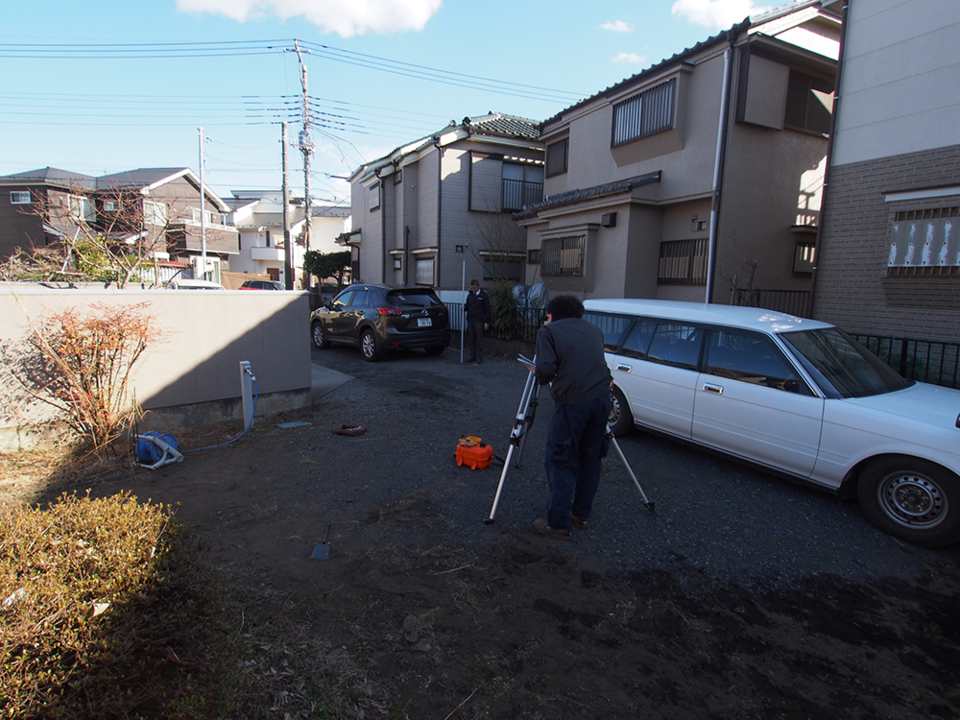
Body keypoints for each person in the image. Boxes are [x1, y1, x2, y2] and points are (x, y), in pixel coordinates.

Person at [532, 295, 613, 540]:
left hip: (573, 403)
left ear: (552, 314)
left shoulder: (548, 332)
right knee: (591, 457)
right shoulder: (595, 330)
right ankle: (581, 514)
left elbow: (546, 371)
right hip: (601, 399)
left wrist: (539, 374)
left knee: (561, 458)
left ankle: (558, 523)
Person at [463, 279, 491, 363]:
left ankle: (479, 357)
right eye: (472, 288)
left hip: (479, 320)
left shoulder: (483, 296)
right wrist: (464, 307)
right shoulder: (470, 296)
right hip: (471, 319)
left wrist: (487, 321)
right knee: (471, 339)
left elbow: (487, 309)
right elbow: (467, 306)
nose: (473, 290)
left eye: (474, 288)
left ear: (478, 287)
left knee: (479, 339)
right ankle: (472, 356)